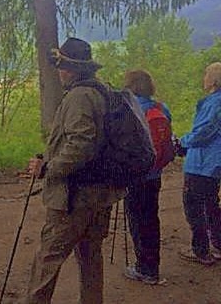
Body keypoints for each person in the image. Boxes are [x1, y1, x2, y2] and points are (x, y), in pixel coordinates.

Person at [22, 37, 125, 304]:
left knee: (48, 258)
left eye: (63, 65)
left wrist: (47, 167)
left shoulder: (79, 97)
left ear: (72, 68)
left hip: (74, 198)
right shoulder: (101, 92)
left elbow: (81, 144)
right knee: (90, 257)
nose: (59, 70)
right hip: (100, 196)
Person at [122, 69, 172, 284]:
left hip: (135, 175)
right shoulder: (161, 108)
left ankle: (144, 268)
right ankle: (153, 266)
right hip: (155, 173)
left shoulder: (128, 109)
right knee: (151, 219)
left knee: (136, 219)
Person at [178, 61, 221, 265]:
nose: (204, 78)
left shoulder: (214, 103)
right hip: (213, 163)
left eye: (206, 74)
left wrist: (182, 142)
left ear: (214, 80)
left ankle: (201, 251)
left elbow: (204, 132)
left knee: (194, 206)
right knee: (212, 205)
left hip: (203, 163)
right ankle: (217, 244)